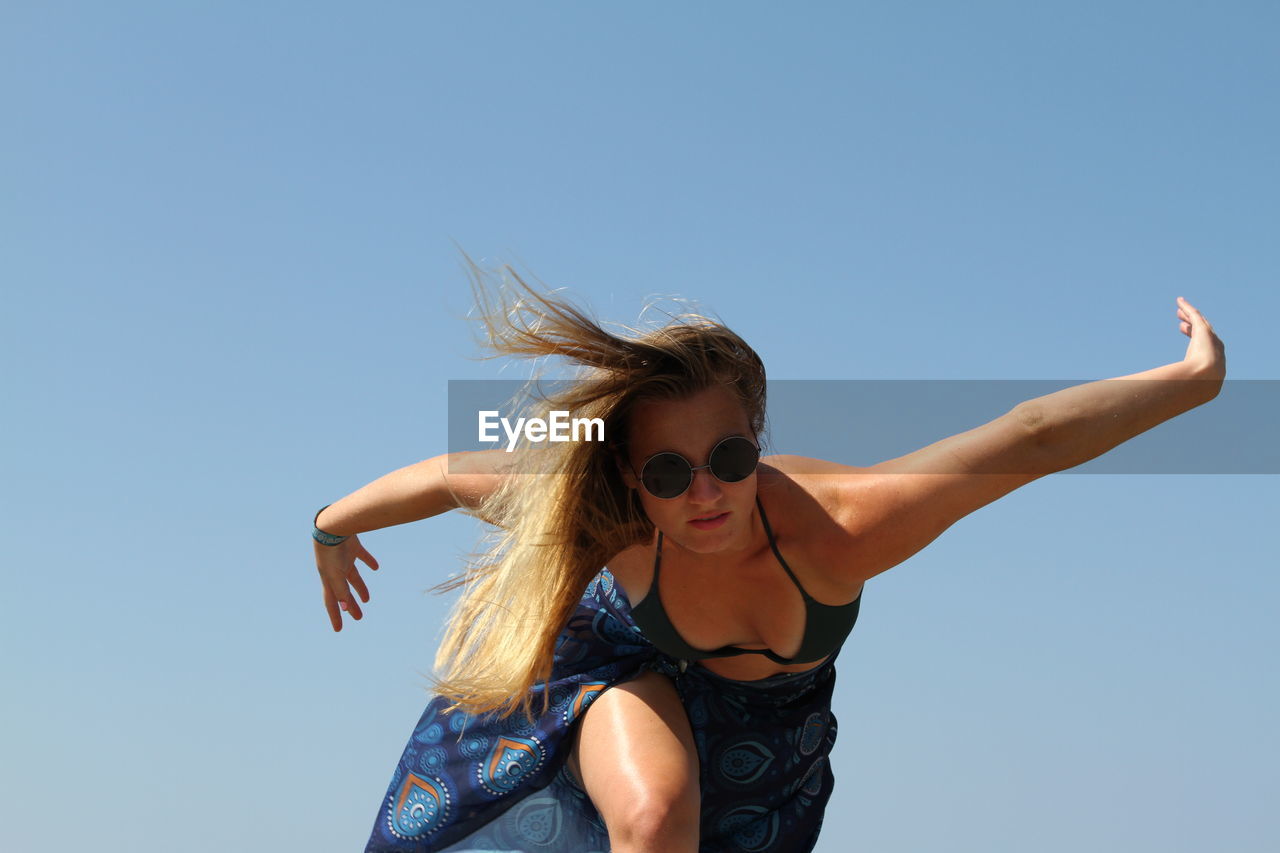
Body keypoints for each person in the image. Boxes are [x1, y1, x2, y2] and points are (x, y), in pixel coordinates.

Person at [312, 261, 1225, 852]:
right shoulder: (608, 516)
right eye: (668, 471)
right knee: (654, 815)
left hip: (769, 737)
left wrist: (1193, 383)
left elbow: (1027, 437)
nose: (704, 492)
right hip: (612, 670)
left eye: (730, 459)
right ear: (630, 478)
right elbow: (446, 472)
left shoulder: (840, 529)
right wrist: (330, 526)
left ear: (757, 438)